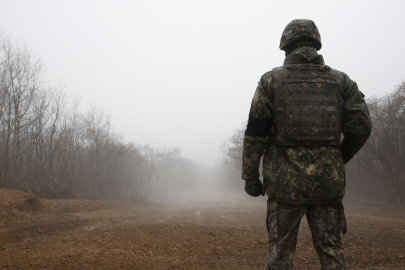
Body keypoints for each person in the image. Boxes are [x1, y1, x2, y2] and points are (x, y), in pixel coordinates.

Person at [242, 19, 372, 270]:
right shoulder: (341, 82)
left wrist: (250, 177)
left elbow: (256, 134)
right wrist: (336, 160)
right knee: (332, 252)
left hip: (284, 187)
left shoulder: (271, 81)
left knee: (279, 255)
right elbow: (362, 127)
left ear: (286, 47)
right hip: (327, 186)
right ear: (315, 44)